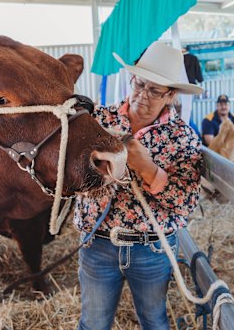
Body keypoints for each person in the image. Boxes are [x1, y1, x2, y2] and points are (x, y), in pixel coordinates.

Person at [74, 41, 203, 330]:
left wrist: (148, 168)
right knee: (92, 323)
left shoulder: (183, 137)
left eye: (155, 91)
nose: (142, 96)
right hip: (98, 243)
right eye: (139, 84)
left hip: (152, 249)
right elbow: (70, 175)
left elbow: (186, 203)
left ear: (170, 96)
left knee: (155, 322)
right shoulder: (97, 120)